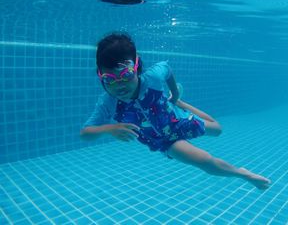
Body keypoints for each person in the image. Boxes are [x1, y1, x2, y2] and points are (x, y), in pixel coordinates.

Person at [80, 32, 271, 190]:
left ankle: (181, 103)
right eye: (109, 79)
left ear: (136, 67)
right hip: (163, 141)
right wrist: (108, 129)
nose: (119, 85)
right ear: (100, 76)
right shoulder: (108, 102)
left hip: (177, 121)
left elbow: (167, 69)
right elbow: (85, 133)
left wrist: (174, 94)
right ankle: (242, 174)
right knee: (204, 161)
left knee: (218, 129)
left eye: (126, 75)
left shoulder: (152, 77)